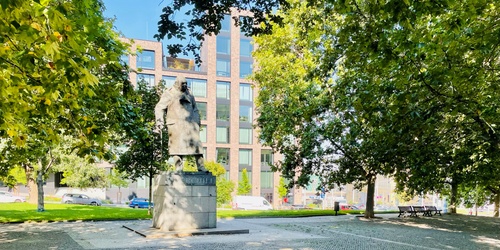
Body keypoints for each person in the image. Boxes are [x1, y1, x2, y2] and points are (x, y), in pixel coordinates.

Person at [155, 76, 207, 172]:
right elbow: (159, 107)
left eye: (186, 83)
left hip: (190, 125)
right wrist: (159, 121)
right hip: (176, 124)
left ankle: (201, 166)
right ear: (177, 83)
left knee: (197, 145)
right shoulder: (169, 93)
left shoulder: (189, 94)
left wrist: (197, 122)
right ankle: (178, 168)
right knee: (176, 147)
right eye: (182, 84)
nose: (185, 85)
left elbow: (195, 109)